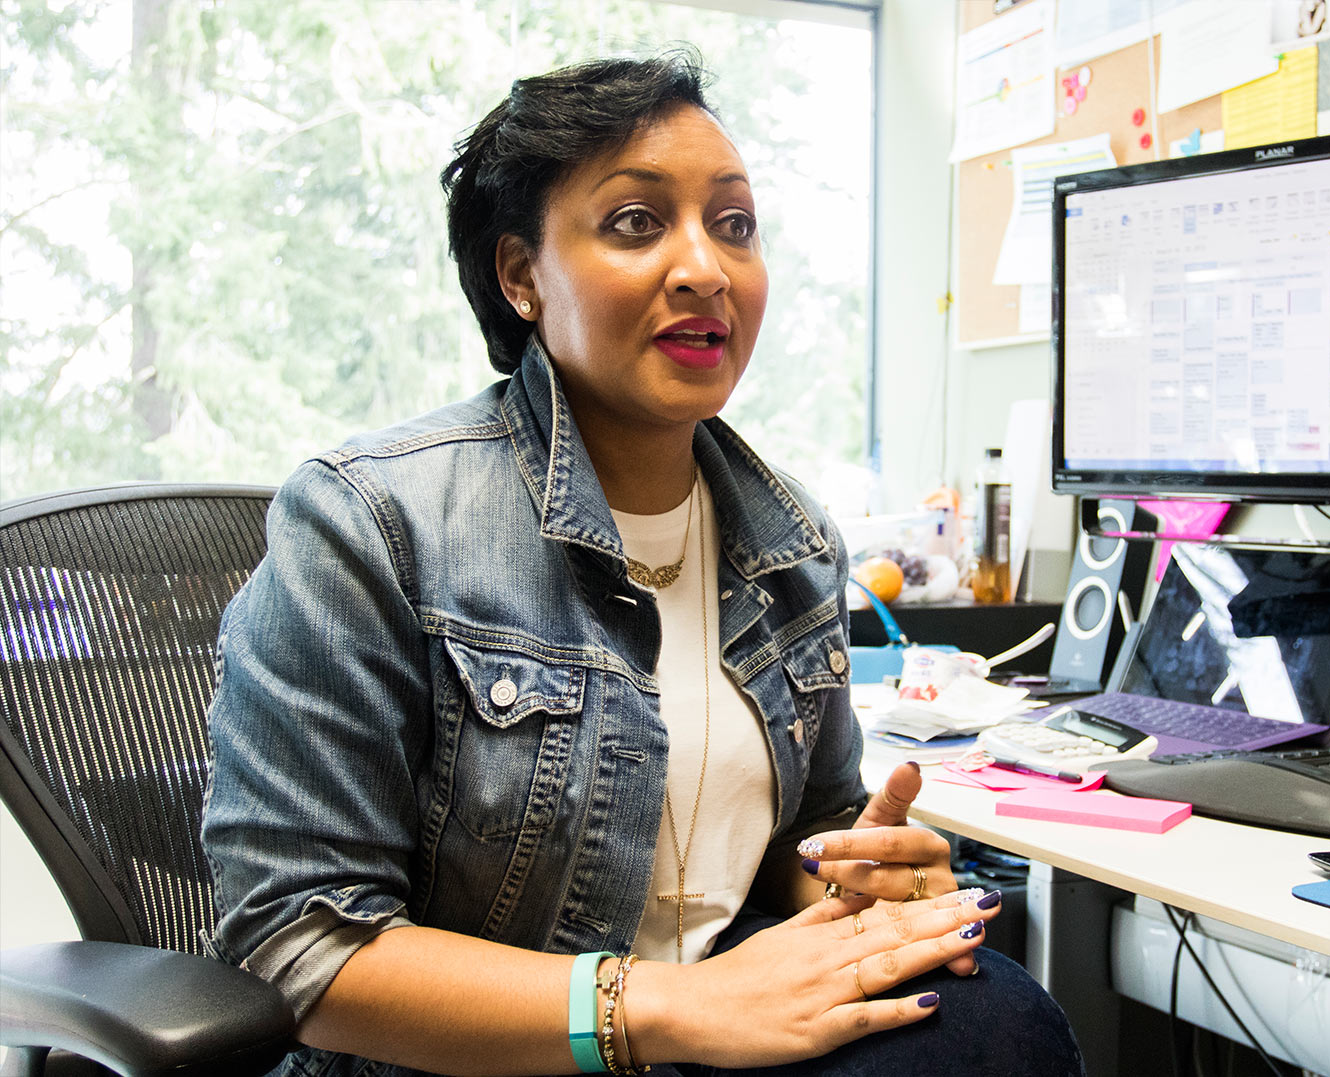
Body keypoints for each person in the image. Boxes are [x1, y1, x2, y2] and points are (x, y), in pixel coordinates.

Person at [200, 49, 1083, 1076]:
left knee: (994, 1023)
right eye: (635, 222)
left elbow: (804, 831)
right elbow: (299, 945)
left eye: (734, 223)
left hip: (707, 1024)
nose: (705, 266)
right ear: (522, 275)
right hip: (480, 1058)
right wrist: (660, 1009)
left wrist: (856, 874)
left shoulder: (792, 541)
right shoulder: (372, 521)